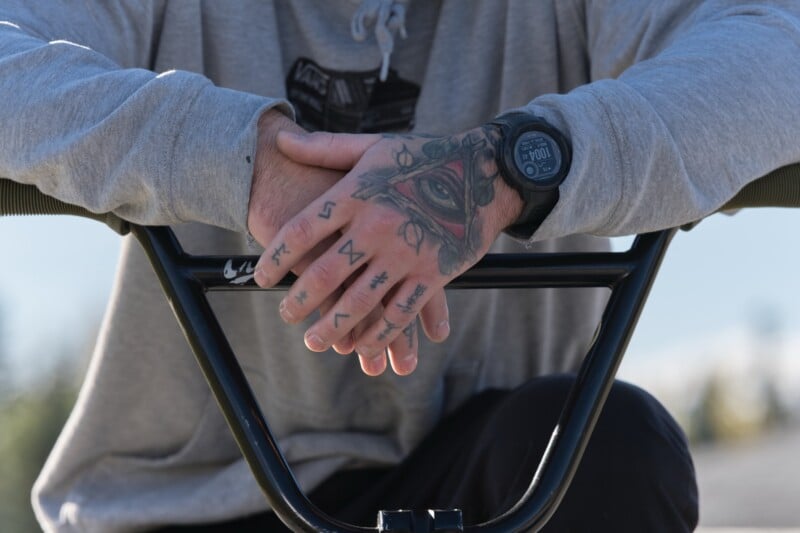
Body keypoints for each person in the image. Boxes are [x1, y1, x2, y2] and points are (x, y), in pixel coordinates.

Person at [1, 1, 798, 531]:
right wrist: (247, 162)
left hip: (502, 480)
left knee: (617, 450)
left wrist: (500, 170)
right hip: (186, 498)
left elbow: (776, 49)